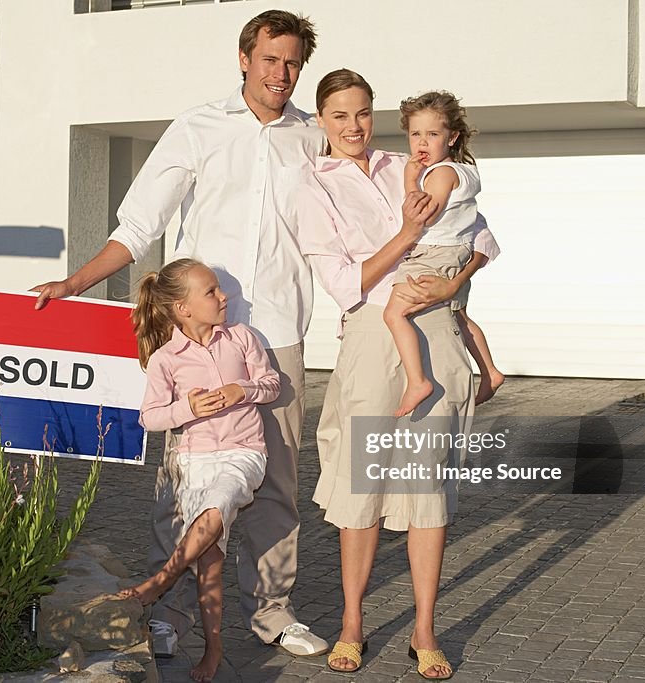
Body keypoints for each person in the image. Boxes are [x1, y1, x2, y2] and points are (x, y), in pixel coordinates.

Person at [31, 9, 362, 656]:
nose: (282, 74)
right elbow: (138, 226)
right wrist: (75, 283)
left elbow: (350, 219)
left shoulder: (311, 138)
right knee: (185, 481)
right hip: (199, 339)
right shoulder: (198, 127)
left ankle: (271, 611)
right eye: (270, 60)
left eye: (293, 62)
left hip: (278, 335)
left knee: (276, 484)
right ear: (244, 58)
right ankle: (171, 615)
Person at [296, 69, 500, 679]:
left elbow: (484, 238)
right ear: (322, 121)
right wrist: (408, 233)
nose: (353, 126)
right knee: (362, 486)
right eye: (338, 115)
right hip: (369, 333)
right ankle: (353, 624)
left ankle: (424, 629)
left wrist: (453, 281)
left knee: (425, 488)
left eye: (361, 113)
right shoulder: (312, 185)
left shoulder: (411, 161)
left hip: (433, 327)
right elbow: (345, 282)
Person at [117, 258, 279, 682]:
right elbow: (149, 418)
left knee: (220, 503)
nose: (223, 297)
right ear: (183, 308)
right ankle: (213, 649)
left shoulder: (242, 338)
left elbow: (271, 384)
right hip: (194, 461)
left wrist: (239, 389)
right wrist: (186, 407)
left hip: (244, 454)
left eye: (219, 289)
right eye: (211, 292)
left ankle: (160, 582)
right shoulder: (165, 359)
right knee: (210, 562)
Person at [385, 91, 506, 417]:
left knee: (394, 314)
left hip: (435, 252)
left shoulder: (441, 173)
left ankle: (418, 381)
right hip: (456, 252)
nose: (422, 142)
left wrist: (411, 181)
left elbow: (424, 213)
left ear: (452, 137)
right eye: (415, 134)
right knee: (460, 315)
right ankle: (490, 372)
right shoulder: (463, 171)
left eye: (433, 134)